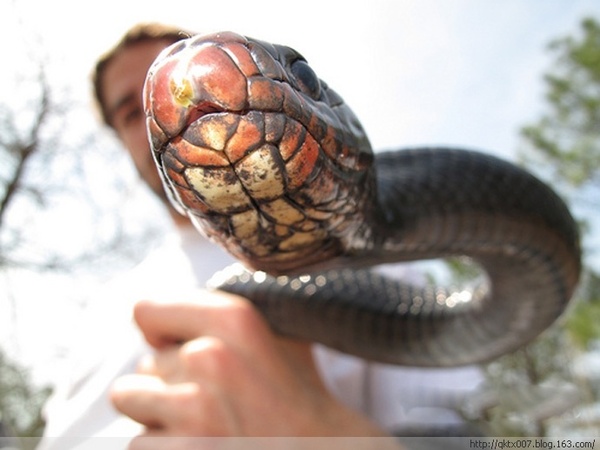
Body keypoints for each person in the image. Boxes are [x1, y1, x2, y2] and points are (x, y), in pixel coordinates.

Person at [38, 23, 484, 450]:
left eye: (198, 76)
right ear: (122, 139)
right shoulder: (99, 315)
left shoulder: (377, 254)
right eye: (134, 110)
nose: (188, 97)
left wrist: (319, 434)